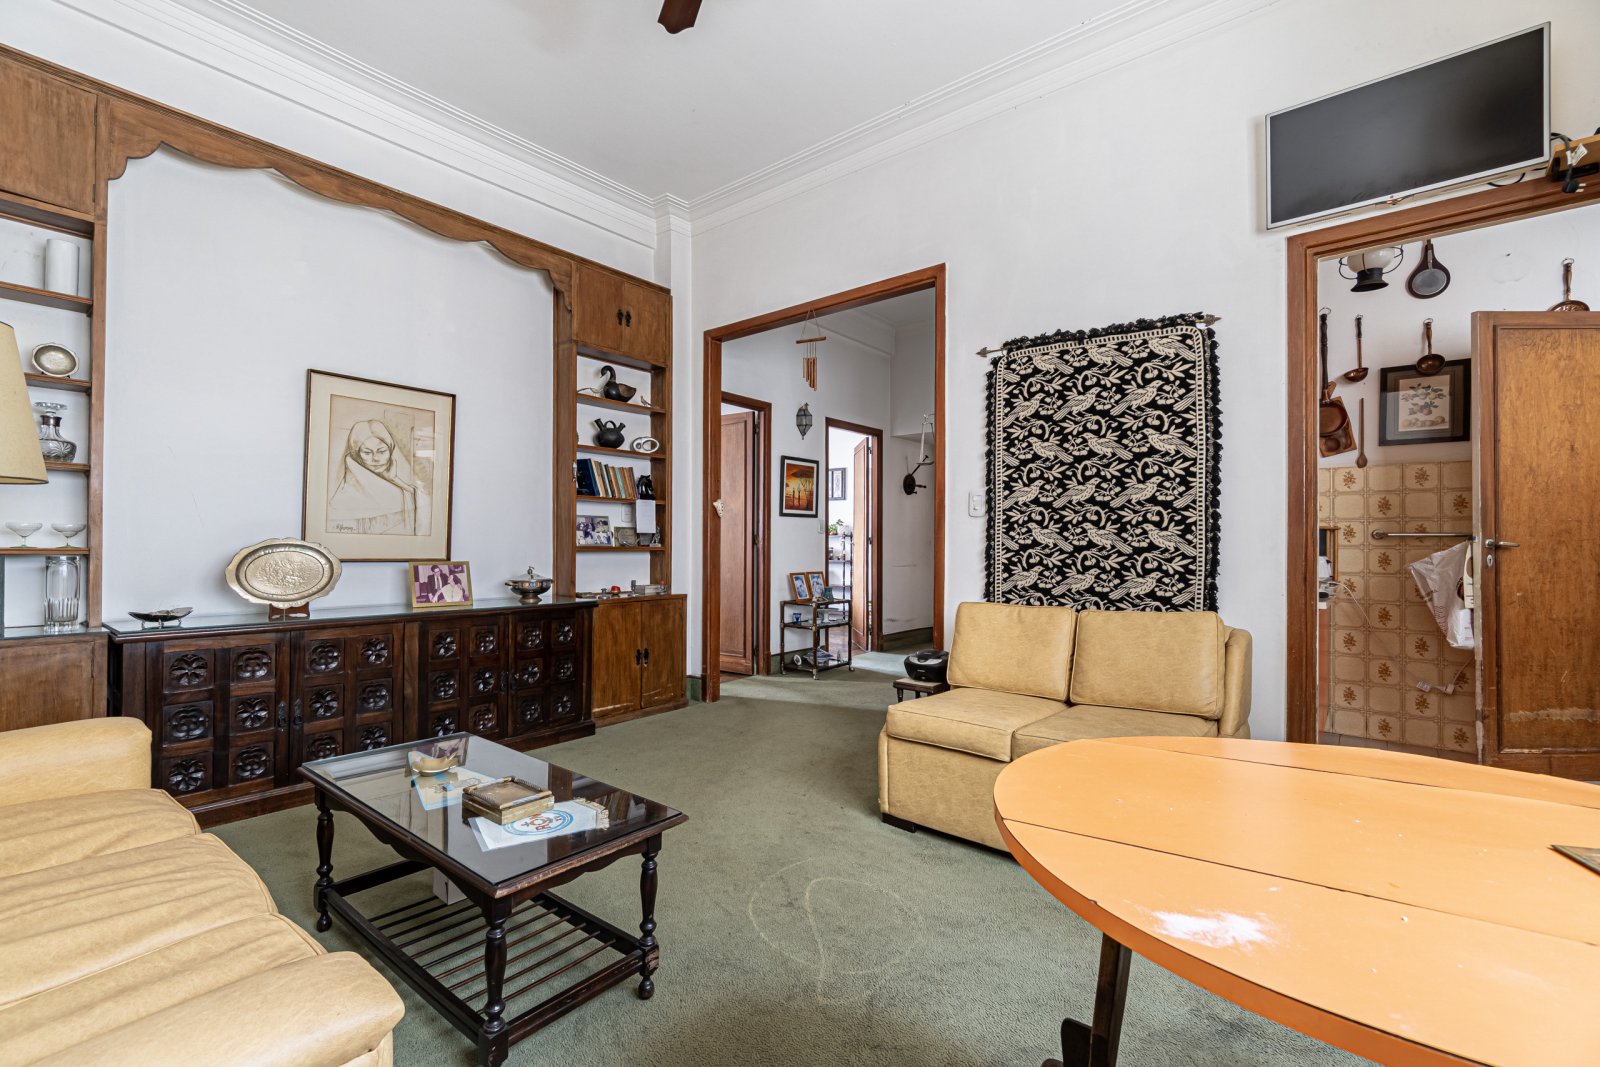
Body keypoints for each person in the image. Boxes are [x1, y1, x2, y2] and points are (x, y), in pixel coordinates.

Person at [327, 419, 430, 536]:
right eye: (367, 452)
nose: (375, 458)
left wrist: (394, 479)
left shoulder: (402, 487)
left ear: (390, 450)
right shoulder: (345, 497)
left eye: (381, 451)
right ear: (357, 456)